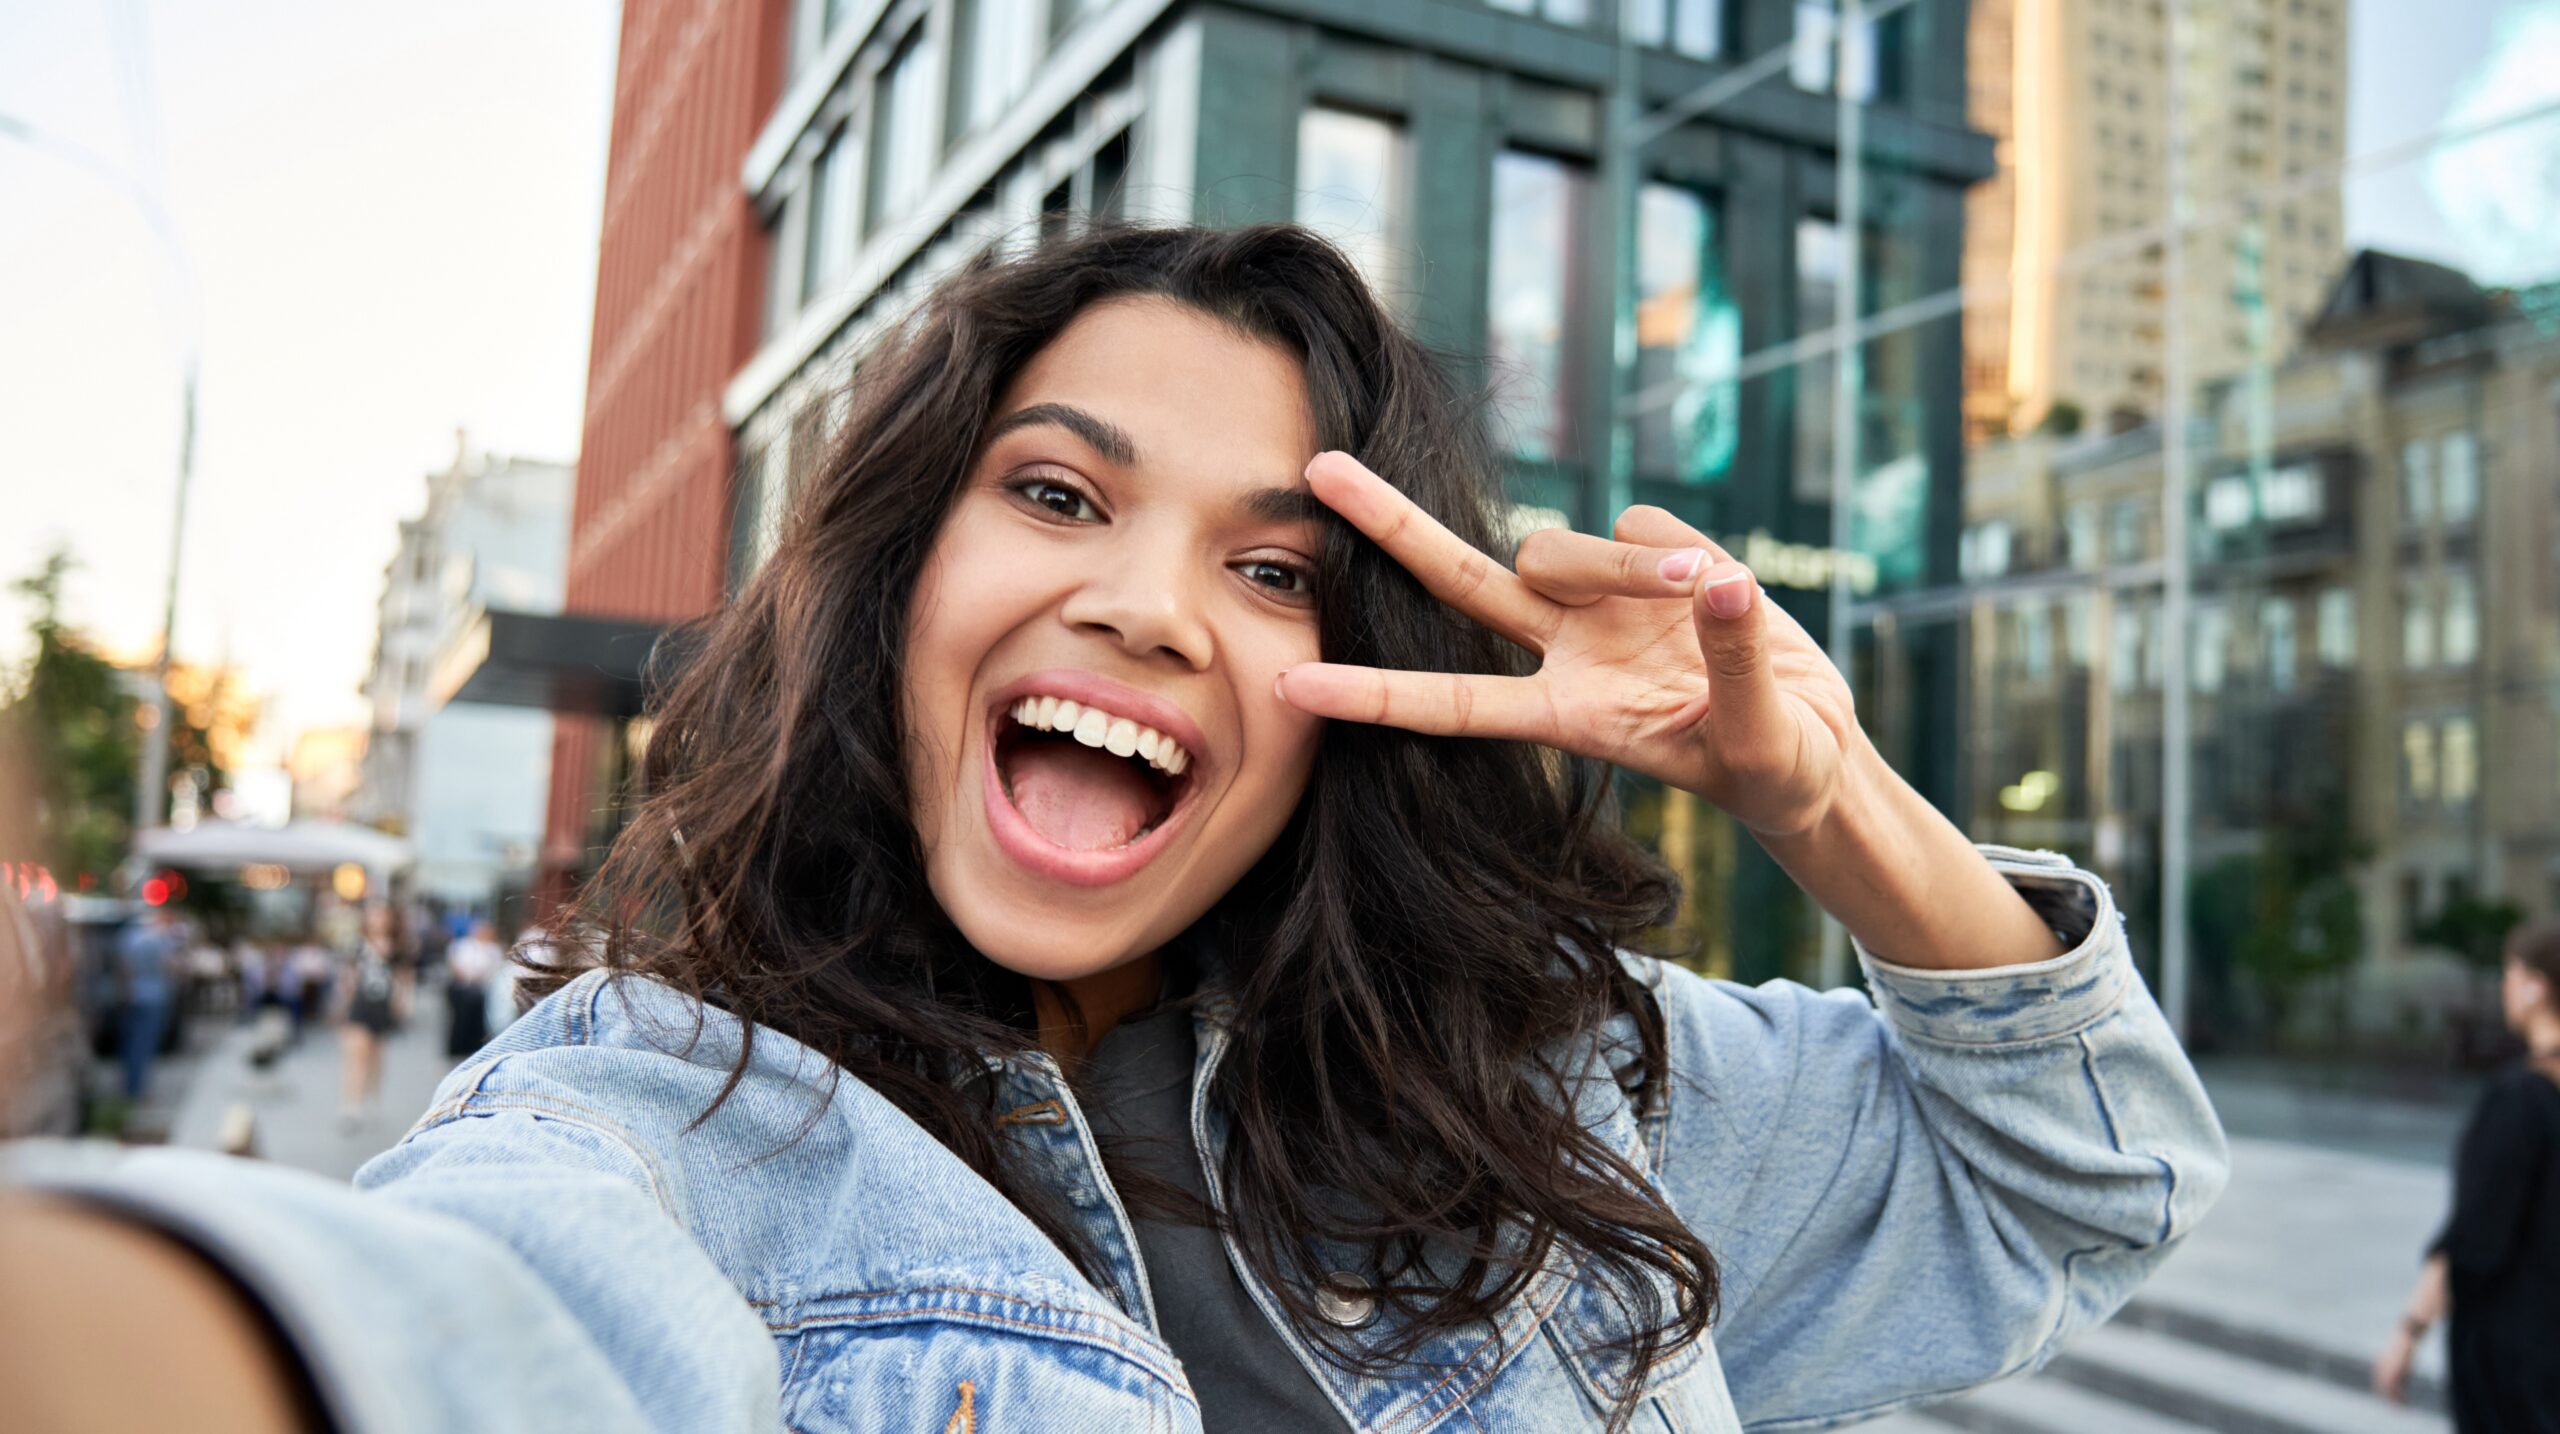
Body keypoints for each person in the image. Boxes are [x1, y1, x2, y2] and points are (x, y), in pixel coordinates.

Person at [0, 225, 2227, 1432]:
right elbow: (459, 1324)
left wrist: (1815, 789)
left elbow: (2082, 1181)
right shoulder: (648, 1121)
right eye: (1056, 495)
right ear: (902, 586)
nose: (1143, 603)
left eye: (1272, 570)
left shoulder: (1545, 1093)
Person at [2375, 921, 2560, 1429]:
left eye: (2510, 974)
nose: (2505, 987)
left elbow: (2472, 1237)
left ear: (2534, 987)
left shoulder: (2519, 1101)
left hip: (2517, 1356)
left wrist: (2409, 1332)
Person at [333, 905, 401, 1130]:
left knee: (377, 1055)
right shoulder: (358, 946)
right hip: (359, 1004)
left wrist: (401, 1003)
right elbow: (348, 978)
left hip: (381, 1006)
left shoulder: (396, 947)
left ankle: (373, 1096)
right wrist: (343, 1007)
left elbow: (402, 978)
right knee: (356, 1055)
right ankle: (352, 1104)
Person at [107, 907, 181, 1103]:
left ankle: (128, 1087)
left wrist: (127, 990)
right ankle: (138, 1091)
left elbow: (123, 967)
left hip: (134, 996)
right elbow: (170, 967)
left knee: (130, 1044)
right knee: (145, 1046)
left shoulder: (129, 936)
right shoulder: (161, 939)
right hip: (154, 997)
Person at [442, 918, 501, 1058]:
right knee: (460, 1021)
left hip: (482, 990)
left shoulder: (493, 949)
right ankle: (456, 1050)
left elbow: (495, 968)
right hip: (463, 988)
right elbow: (455, 965)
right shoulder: (464, 945)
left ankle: (474, 1049)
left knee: (478, 1023)